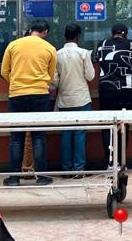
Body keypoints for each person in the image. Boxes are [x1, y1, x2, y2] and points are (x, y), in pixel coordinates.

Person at [0, 19, 56, 186]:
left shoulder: (13, 45)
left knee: (16, 137)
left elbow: (4, 71)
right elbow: (51, 75)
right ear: (45, 32)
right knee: (39, 136)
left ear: (30, 30)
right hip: (40, 95)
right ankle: (42, 177)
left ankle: (14, 178)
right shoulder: (49, 48)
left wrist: (16, 83)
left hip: (17, 94)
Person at [96, 23, 132, 165]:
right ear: (126, 33)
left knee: (107, 126)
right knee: (124, 125)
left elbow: (97, 57)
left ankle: (110, 162)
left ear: (112, 33)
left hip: (107, 89)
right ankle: (121, 161)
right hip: (126, 90)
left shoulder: (102, 44)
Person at [52, 24, 95, 176]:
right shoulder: (84, 53)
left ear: (65, 36)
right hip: (81, 98)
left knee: (66, 134)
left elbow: (54, 80)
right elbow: (90, 76)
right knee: (79, 134)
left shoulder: (57, 54)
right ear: (78, 36)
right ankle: (78, 169)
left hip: (64, 99)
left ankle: (66, 168)